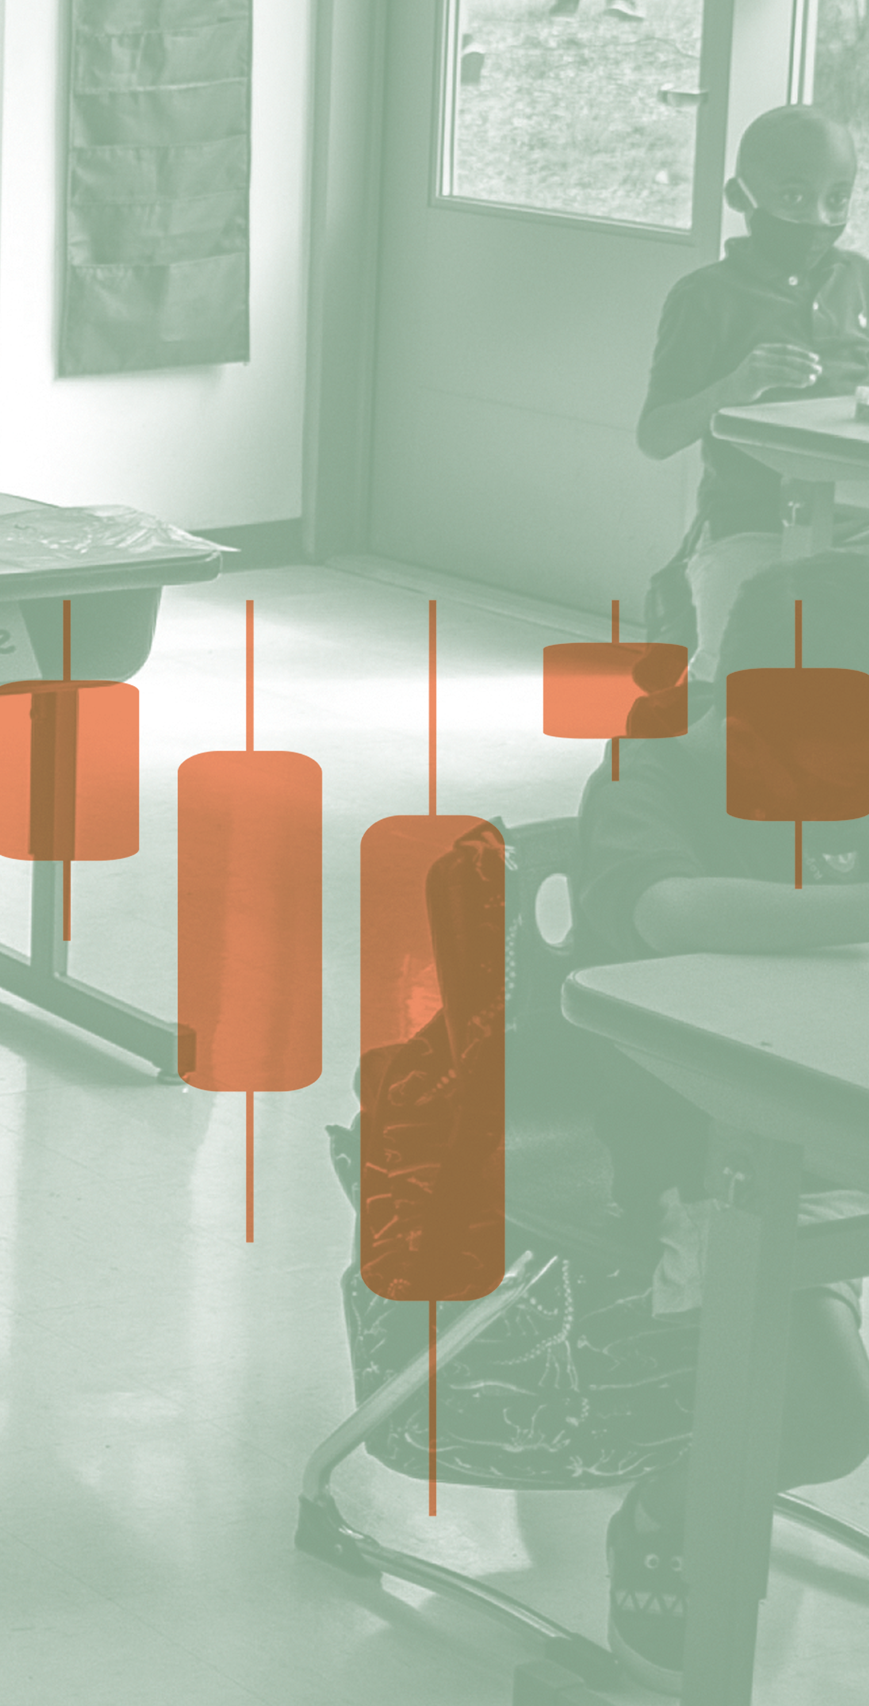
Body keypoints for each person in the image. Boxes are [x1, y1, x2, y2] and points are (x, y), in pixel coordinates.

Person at [571, 551, 869, 1688]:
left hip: (829, 1110)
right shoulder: (646, 771)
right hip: (705, 1150)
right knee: (821, 1422)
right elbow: (666, 911)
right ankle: (666, 1512)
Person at [636, 105, 869, 681]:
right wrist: (737, 386)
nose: (818, 218)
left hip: (857, 526)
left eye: (837, 200)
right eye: (793, 198)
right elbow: (656, 436)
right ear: (741, 196)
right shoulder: (705, 297)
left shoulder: (860, 279)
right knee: (744, 678)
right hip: (752, 524)